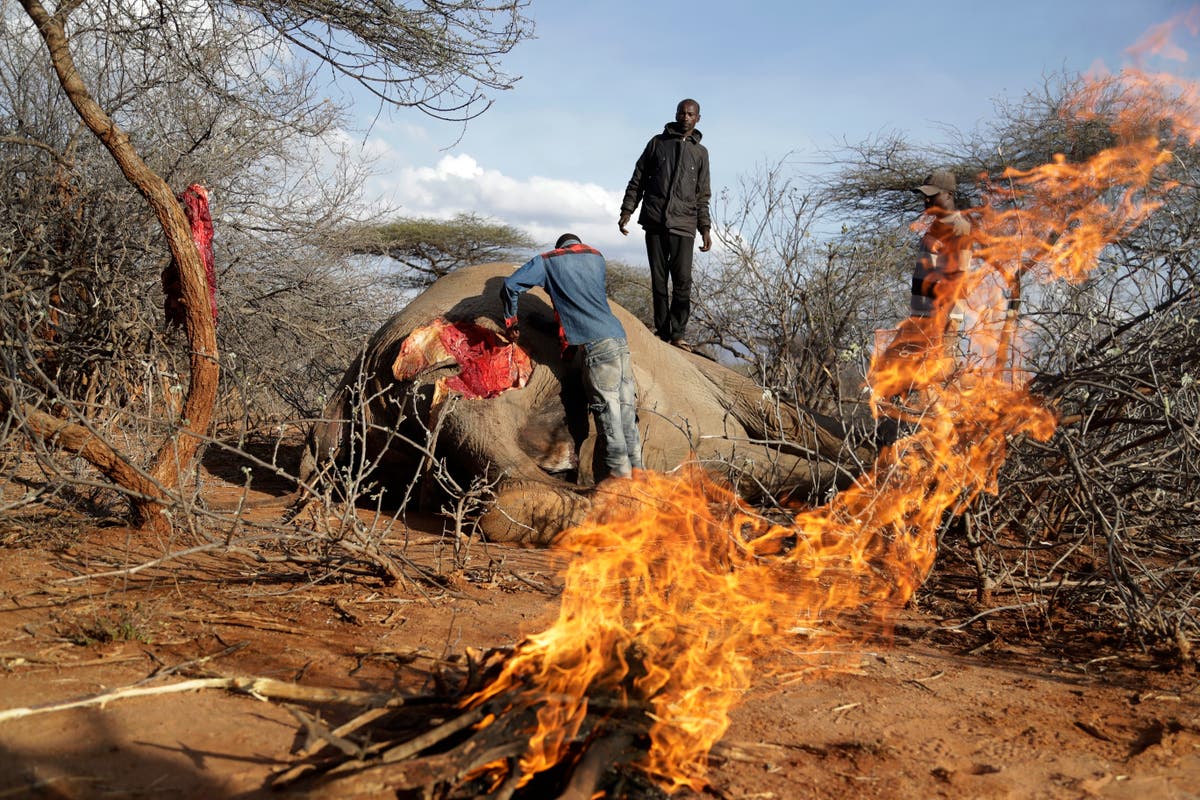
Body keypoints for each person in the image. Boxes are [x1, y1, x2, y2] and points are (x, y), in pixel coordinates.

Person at [500, 234, 644, 479]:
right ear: (577, 244)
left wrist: (511, 321)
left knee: (608, 413)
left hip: (598, 348)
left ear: (559, 247)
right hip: (619, 340)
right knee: (626, 411)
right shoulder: (596, 256)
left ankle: (621, 480)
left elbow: (510, 285)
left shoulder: (547, 261)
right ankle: (640, 473)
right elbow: (581, 306)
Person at [619, 98, 712, 351]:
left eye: (690, 114)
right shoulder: (657, 143)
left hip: (684, 224)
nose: (685, 117)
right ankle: (662, 330)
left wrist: (705, 229)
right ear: (676, 114)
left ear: (698, 119)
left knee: (682, 281)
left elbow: (703, 195)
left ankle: (678, 333)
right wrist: (627, 209)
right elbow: (637, 178)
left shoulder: (700, 153)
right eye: (682, 113)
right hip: (655, 221)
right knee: (659, 281)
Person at [881, 170, 973, 374]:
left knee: (934, 374)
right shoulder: (936, 225)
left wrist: (944, 322)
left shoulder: (959, 227)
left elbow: (959, 276)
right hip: (922, 314)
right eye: (925, 195)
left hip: (938, 317)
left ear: (949, 195)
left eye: (933, 195)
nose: (927, 200)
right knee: (900, 372)